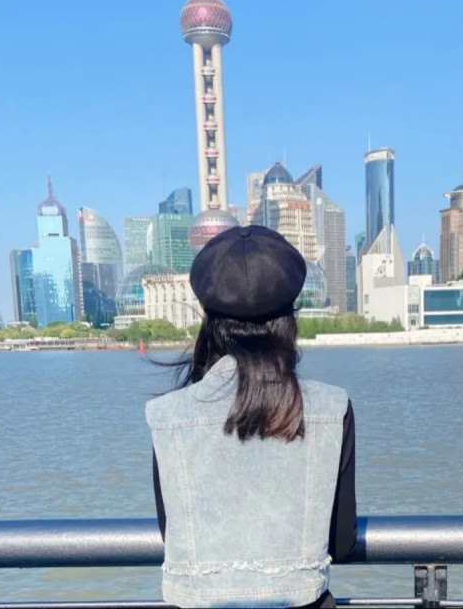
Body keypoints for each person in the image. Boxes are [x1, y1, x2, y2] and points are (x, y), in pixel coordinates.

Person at [146, 225, 357, 609]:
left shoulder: (167, 416)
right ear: (289, 318)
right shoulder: (332, 407)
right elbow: (341, 543)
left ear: (206, 317)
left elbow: (173, 534)